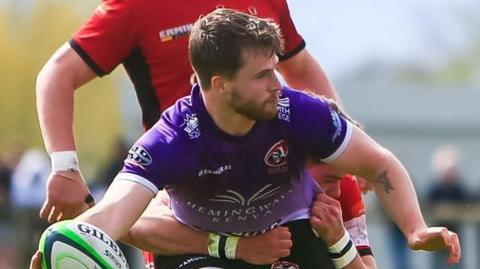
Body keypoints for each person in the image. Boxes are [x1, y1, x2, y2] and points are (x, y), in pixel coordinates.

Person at [31, 9, 460, 269]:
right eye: (262, 75)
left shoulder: (299, 112)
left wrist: (415, 229)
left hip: (287, 237)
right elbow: (113, 217)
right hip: (197, 248)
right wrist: (66, 244)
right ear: (219, 85)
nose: (277, 83)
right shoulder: (172, 138)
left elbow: (380, 164)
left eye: (274, 68)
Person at [36, 0, 340, 224]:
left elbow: (299, 67)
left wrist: (340, 141)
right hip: (184, 203)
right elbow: (57, 73)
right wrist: (65, 166)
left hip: (274, 186)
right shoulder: (133, 7)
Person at [124, 165, 378, 269]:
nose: (335, 192)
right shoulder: (236, 167)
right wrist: (239, 247)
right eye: (329, 180)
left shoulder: (342, 185)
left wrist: (339, 241)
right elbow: (136, 226)